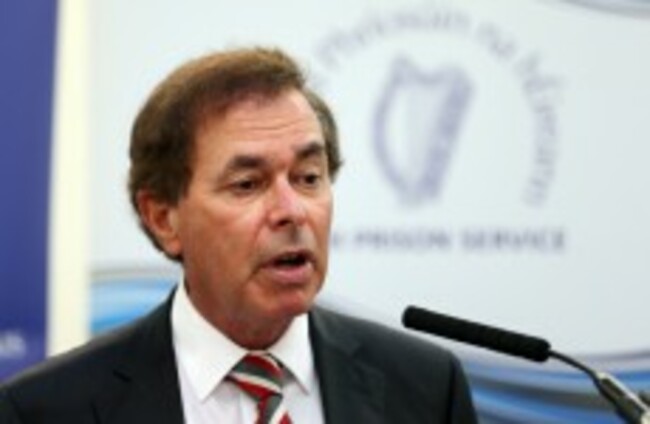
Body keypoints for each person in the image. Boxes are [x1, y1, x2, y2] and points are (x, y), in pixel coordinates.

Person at [0, 47, 477, 423]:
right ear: (164, 218)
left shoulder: (427, 387)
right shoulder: (47, 410)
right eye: (247, 184)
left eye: (309, 177)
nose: (292, 211)